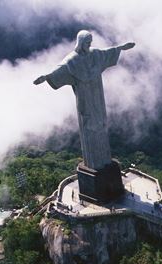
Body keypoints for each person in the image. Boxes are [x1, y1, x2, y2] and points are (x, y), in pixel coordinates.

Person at [34, 31, 135, 170]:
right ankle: (93, 163)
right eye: (87, 42)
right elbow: (59, 71)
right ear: (80, 43)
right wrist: (46, 77)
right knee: (89, 128)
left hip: (98, 97)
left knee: (101, 124)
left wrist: (122, 47)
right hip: (85, 101)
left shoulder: (95, 54)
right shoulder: (72, 61)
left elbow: (108, 52)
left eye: (90, 42)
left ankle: (105, 160)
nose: (89, 44)